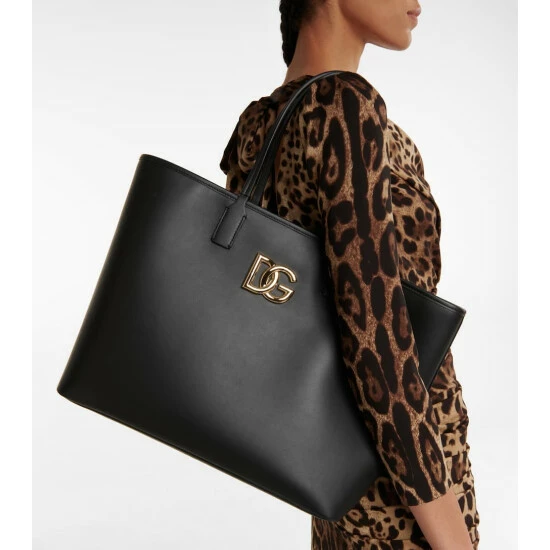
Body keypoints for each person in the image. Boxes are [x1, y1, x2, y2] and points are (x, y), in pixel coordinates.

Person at [219, 1, 480, 548]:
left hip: (332, 482)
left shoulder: (260, 124)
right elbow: (376, 343)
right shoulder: (347, 108)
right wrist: (451, 536)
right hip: (406, 491)